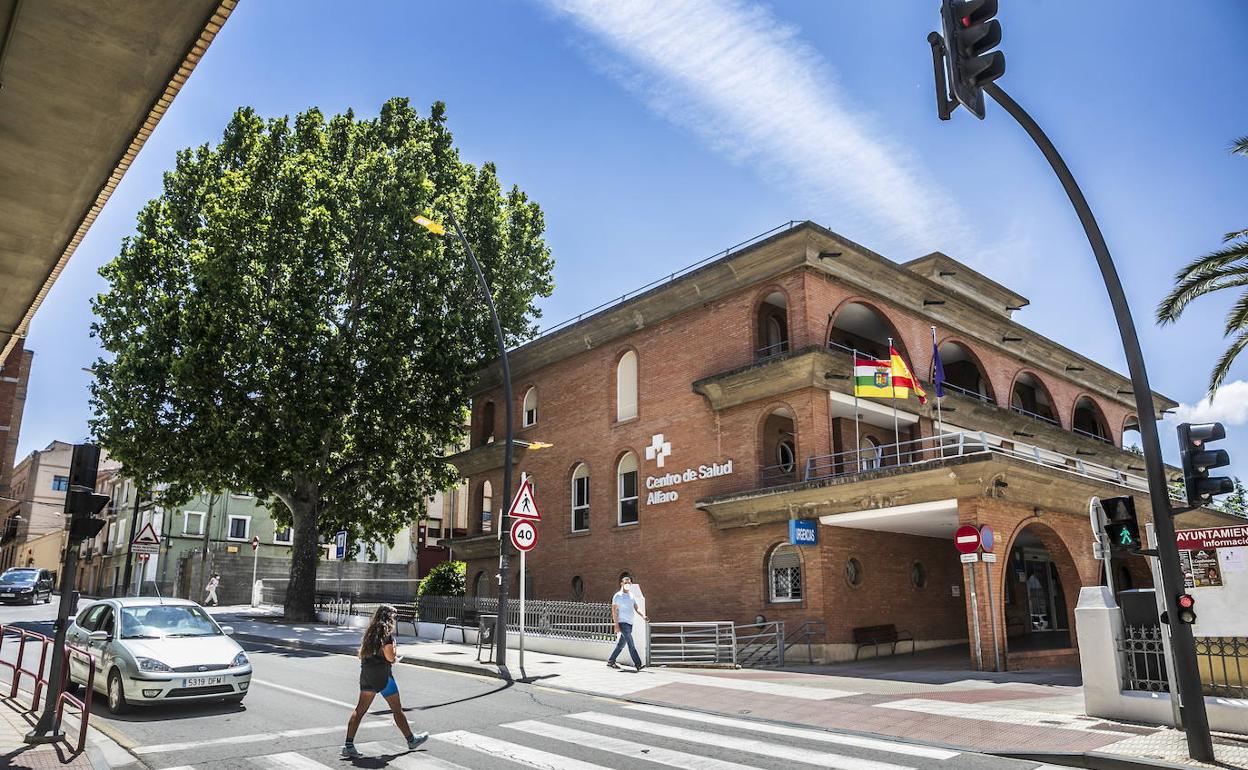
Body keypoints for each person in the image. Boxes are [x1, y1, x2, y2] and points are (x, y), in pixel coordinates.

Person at [343, 604, 428, 758]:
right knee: (396, 708)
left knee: (360, 710)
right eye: (394, 616)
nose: (395, 619)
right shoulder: (386, 634)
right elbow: (390, 657)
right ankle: (411, 740)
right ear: (388, 617)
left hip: (367, 673)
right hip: (382, 676)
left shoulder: (371, 631)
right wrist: (395, 648)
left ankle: (348, 745)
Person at [607, 575, 648, 671]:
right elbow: (614, 611)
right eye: (626, 582)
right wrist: (616, 625)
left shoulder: (631, 595)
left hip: (630, 623)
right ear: (621, 583)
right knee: (631, 644)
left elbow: (636, 607)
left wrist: (643, 615)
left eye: (629, 583)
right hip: (622, 623)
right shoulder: (617, 596)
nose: (627, 584)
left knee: (621, 645)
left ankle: (611, 661)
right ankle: (638, 664)